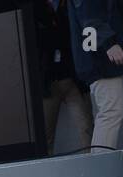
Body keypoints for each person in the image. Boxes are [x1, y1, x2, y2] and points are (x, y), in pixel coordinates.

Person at [67, 0, 123, 152]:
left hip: (97, 59)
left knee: (108, 113)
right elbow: (89, 16)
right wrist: (109, 43)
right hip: (101, 60)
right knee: (110, 113)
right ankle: (100, 167)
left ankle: (99, 165)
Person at [37, 0, 92, 154]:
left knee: (86, 126)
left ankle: (92, 162)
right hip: (49, 82)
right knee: (46, 135)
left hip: (70, 80)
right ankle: (46, 167)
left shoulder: (68, 8)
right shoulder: (36, 11)